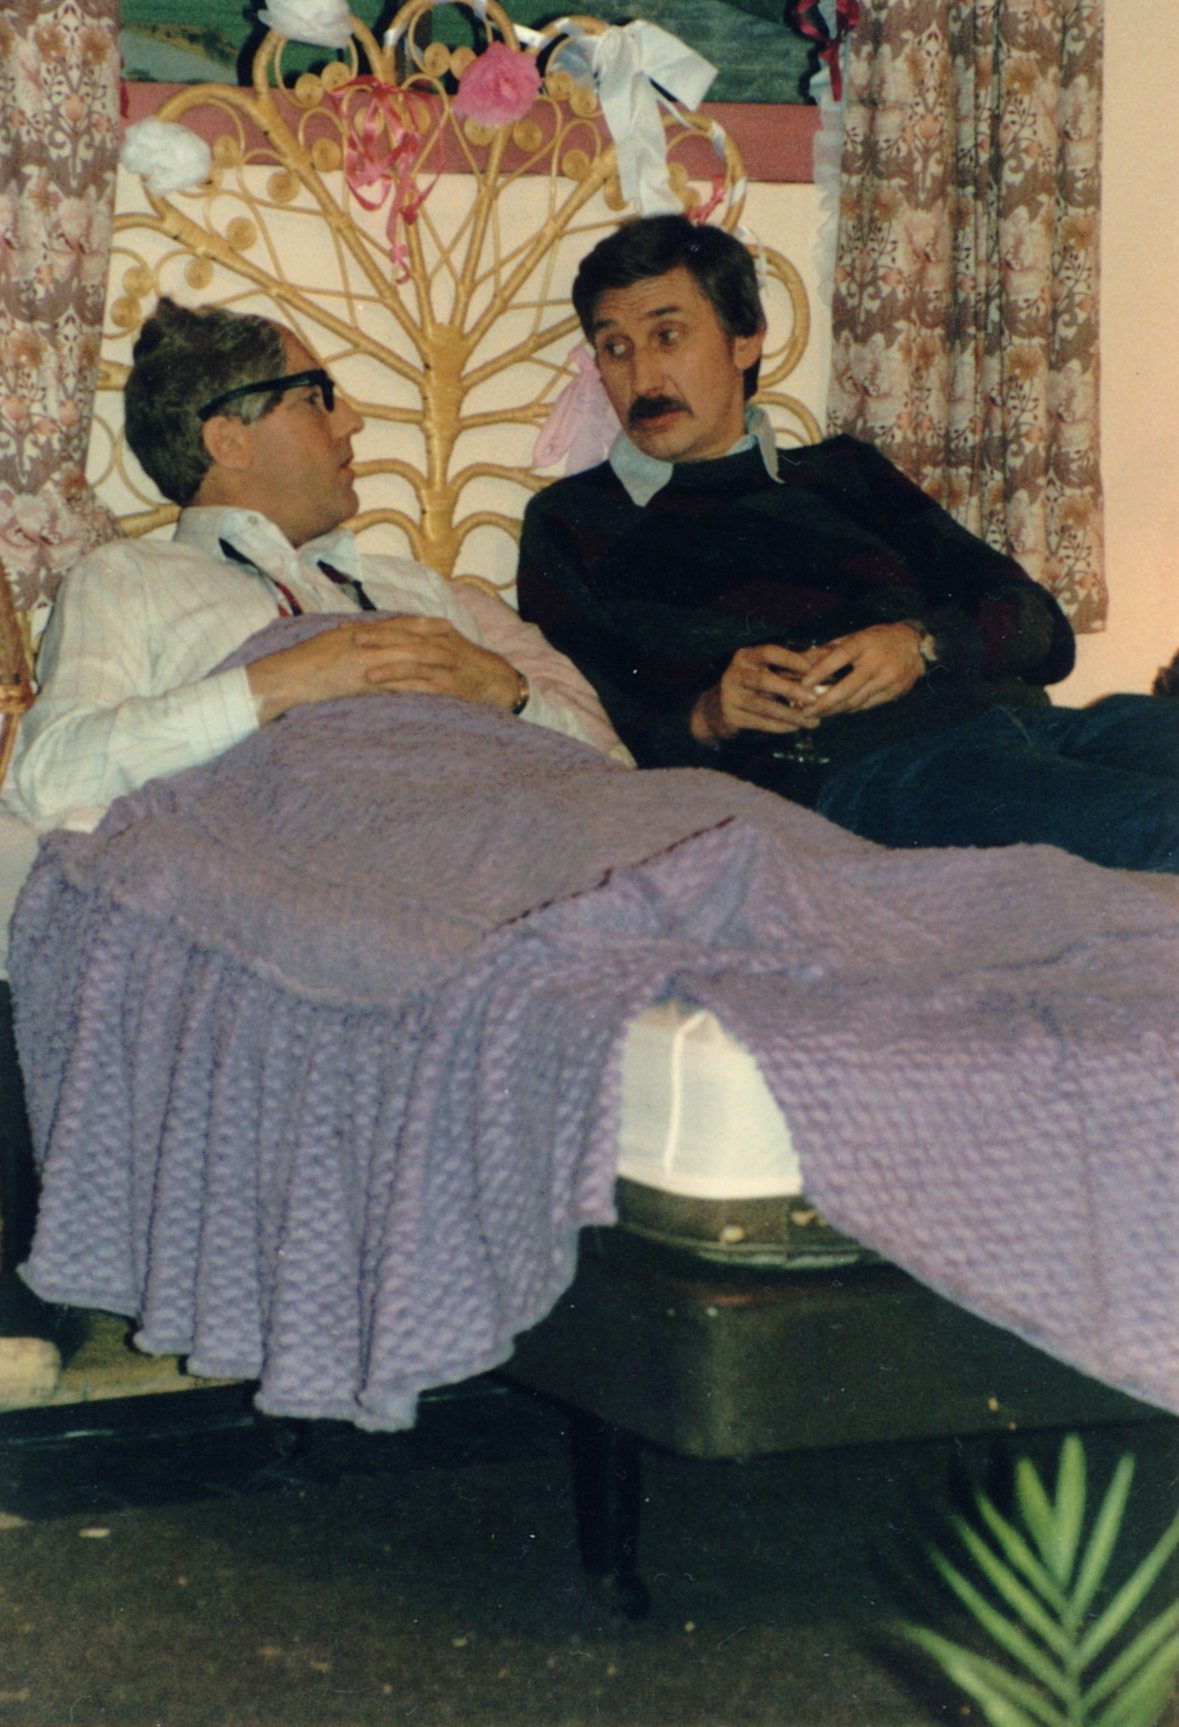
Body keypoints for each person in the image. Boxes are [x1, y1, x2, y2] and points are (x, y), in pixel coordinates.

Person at [517, 215, 1179, 873]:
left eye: (666, 336)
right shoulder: (572, 522)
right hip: (886, 769)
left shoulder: (843, 473)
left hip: (1039, 724)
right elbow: (584, 731)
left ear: (744, 340)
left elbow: (1042, 628)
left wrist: (919, 644)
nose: (642, 378)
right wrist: (707, 717)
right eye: (615, 348)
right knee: (1157, 825)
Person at [6, 299, 627, 831]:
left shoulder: (414, 589)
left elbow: (611, 779)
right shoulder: (129, 576)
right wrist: (285, 679)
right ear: (228, 441)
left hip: (476, 840)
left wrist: (509, 693)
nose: (352, 420)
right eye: (313, 398)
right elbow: (49, 777)